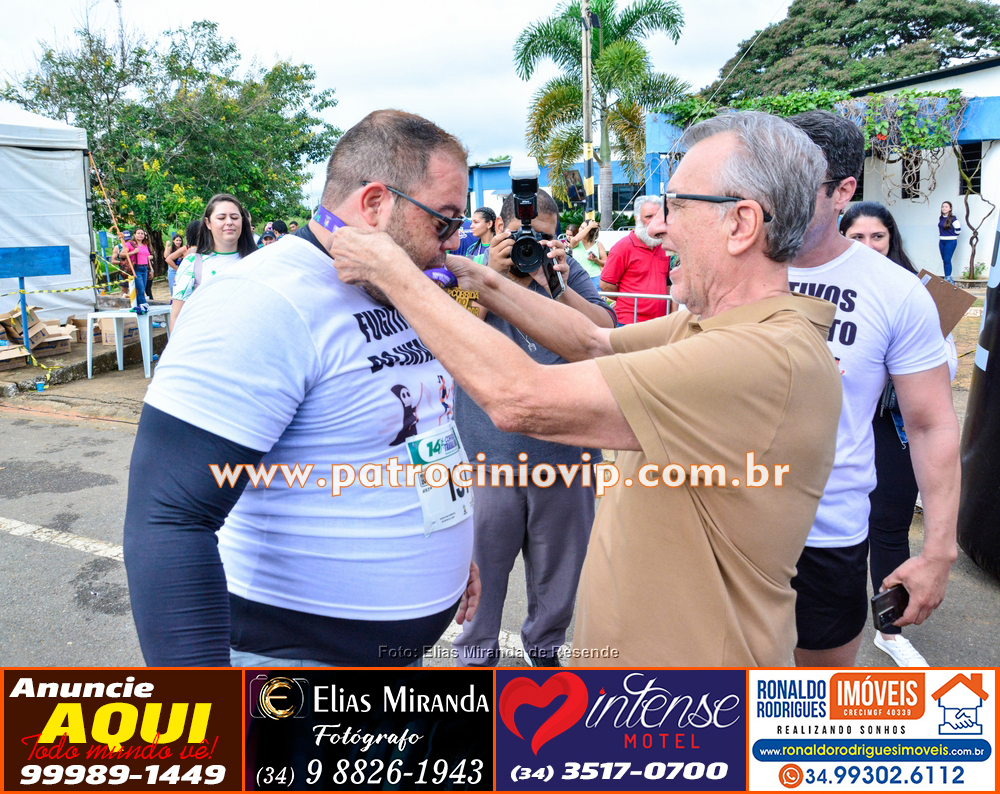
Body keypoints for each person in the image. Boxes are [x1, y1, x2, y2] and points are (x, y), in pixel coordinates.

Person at [328, 110, 843, 667]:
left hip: (688, 700)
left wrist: (396, 273)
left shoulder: (758, 357)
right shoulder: (712, 326)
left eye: (676, 206)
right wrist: (479, 279)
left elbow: (519, 397)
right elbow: (593, 341)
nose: (661, 227)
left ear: (740, 223)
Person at [124, 109, 479, 667]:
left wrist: (448, 543)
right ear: (375, 203)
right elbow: (168, 520)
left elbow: (416, 428)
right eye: (444, 221)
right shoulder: (262, 299)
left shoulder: (398, 286)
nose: (453, 243)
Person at [786, 110, 960, 668]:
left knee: (810, 700)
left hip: (825, 532)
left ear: (843, 191)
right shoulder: (734, 266)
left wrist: (939, 550)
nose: (773, 198)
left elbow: (930, 423)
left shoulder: (897, 291)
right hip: (722, 522)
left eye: (795, 183)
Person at [452, 190, 615, 668]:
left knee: (559, 583)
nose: (532, 245)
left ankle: (544, 660)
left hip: (566, 461)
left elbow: (605, 335)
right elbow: (448, 335)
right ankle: (474, 668)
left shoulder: (566, 271)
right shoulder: (472, 271)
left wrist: (557, 287)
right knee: (480, 582)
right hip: (487, 460)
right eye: (523, 235)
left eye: (544, 236)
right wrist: (491, 278)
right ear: (499, 231)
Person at [839, 202, 959, 667]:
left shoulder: (917, 293)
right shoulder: (826, 288)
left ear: (892, 241)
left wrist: (904, 364)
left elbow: (947, 369)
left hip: (893, 425)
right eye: (856, 237)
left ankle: (889, 629)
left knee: (889, 526)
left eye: (878, 237)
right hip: (840, 422)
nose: (868, 246)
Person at [170, 194, 257, 327]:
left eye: (234, 217)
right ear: (208, 223)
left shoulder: (257, 261)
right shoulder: (193, 263)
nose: (229, 222)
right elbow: (177, 316)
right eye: (221, 218)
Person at [600, 196, 670, 324]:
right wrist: (628, 301)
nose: (654, 221)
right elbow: (606, 285)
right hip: (629, 323)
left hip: (661, 322)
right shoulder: (622, 247)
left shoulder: (665, 246)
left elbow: (668, 283)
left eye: (658, 216)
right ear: (636, 218)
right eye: (648, 217)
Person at [569, 219, 607, 290]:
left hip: (595, 277)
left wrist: (596, 260)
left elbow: (606, 263)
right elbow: (576, 239)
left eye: (583, 228)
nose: (580, 229)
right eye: (580, 227)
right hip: (578, 277)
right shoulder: (576, 242)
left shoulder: (598, 244)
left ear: (590, 232)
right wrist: (590, 226)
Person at [128, 228, 152, 314]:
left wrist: (151, 269)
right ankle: (144, 306)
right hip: (136, 268)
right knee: (141, 289)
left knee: (142, 289)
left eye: (142, 233)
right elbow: (122, 254)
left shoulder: (145, 245)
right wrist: (133, 252)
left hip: (145, 268)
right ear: (134, 234)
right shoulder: (130, 244)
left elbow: (147, 257)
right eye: (138, 233)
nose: (140, 235)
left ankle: (138, 307)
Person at [938, 201, 961, 284]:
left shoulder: (953, 218)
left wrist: (952, 236)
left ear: (950, 208)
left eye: (946, 207)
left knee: (947, 259)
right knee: (944, 260)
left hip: (951, 241)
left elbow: (958, 230)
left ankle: (949, 278)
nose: (944, 208)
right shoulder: (941, 218)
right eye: (943, 206)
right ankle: (946, 277)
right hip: (942, 241)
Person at [163, 231, 186, 296]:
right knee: (173, 286)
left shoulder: (183, 249)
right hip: (172, 269)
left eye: (180, 240)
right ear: (173, 241)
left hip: (182, 269)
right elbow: (166, 256)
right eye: (177, 240)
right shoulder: (171, 248)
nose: (178, 242)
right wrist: (166, 246)